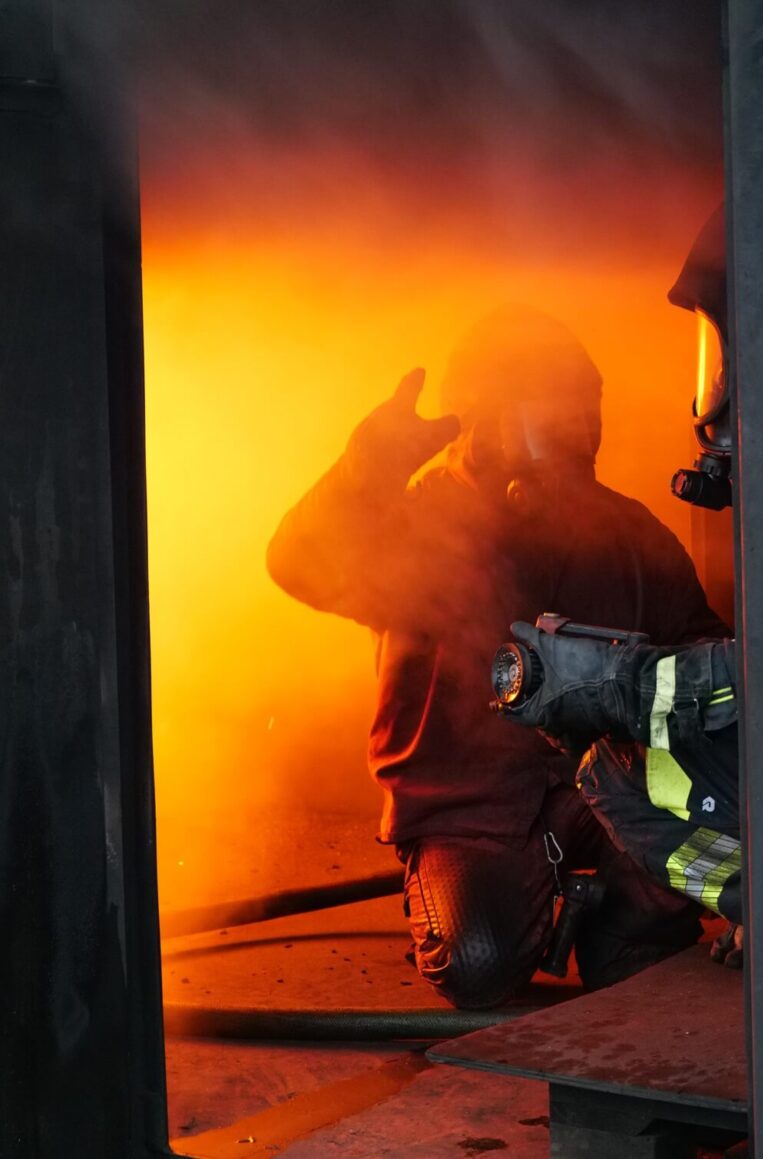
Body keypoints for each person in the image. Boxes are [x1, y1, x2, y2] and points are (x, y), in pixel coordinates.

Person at [267, 304, 726, 1008]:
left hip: (610, 791)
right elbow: (300, 562)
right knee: (476, 959)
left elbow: (705, 662)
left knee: (644, 952)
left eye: (581, 406)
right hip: (473, 808)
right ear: (484, 415)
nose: (574, 427)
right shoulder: (423, 523)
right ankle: (479, 899)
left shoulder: (631, 536)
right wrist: (369, 468)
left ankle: (611, 918)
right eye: (551, 405)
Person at [499, 209, 743, 967]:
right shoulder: (452, 526)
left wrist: (624, 686)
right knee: (482, 946)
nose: (718, 397)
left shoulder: (635, 535)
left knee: (616, 933)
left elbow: (737, 670)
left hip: (572, 797)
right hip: (496, 816)